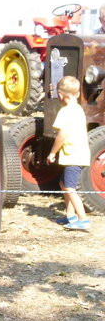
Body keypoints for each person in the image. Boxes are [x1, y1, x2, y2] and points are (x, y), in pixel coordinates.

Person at [47, 75, 91, 230]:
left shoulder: (65, 112)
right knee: (64, 184)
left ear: (60, 95)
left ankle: (83, 219)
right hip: (79, 154)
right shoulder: (78, 109)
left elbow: (62, 135)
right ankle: (70, 216)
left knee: (70, 188)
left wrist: (52, 152)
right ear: (78, 94)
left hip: (73, 156)